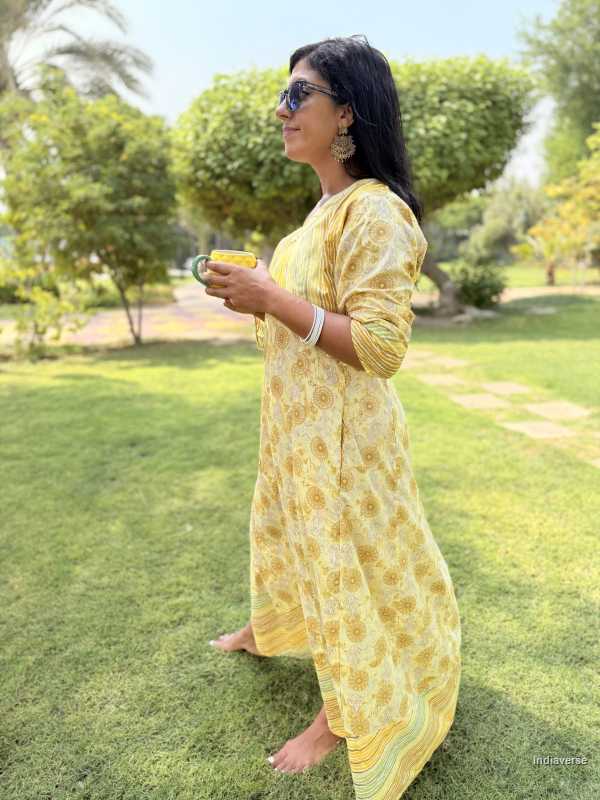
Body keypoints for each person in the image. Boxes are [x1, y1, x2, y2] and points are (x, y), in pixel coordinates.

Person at [204, 34, 461, 800]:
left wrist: (274, 298)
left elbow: (381, 348)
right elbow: (298, 320)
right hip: (295, 430)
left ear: (346, 112)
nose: (279, 110)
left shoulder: (376, 212)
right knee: (287, 541)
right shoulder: (316, 215)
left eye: (297, 95)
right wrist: (254, 286)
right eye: (281, 95)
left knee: (349, 567)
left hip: (346, 443)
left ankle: (342, 716)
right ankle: (273, 627)